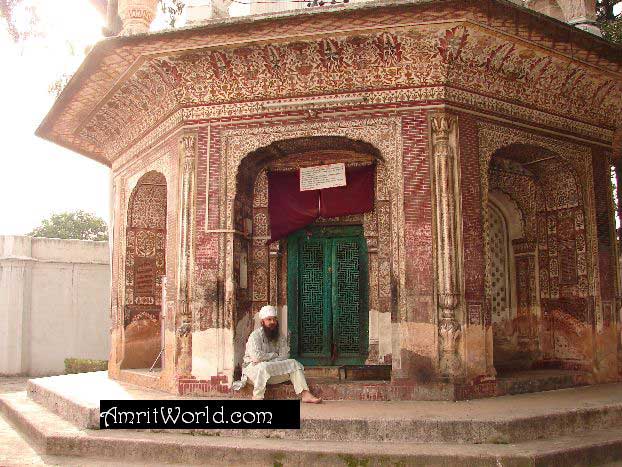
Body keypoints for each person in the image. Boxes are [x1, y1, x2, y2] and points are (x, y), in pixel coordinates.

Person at [232, 305, 322, 403]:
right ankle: (257, 397)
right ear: (262, 322)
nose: (272, 322)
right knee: (262, 367)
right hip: (253, 373)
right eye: (269, 319)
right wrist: (274, 355)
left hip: (270, 373)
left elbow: (285, 355)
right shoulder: (255, 336)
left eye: (274, 319)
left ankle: (305, 394)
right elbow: (256, 357)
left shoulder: (279, 336)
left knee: (293, 363)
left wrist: (270, 360)